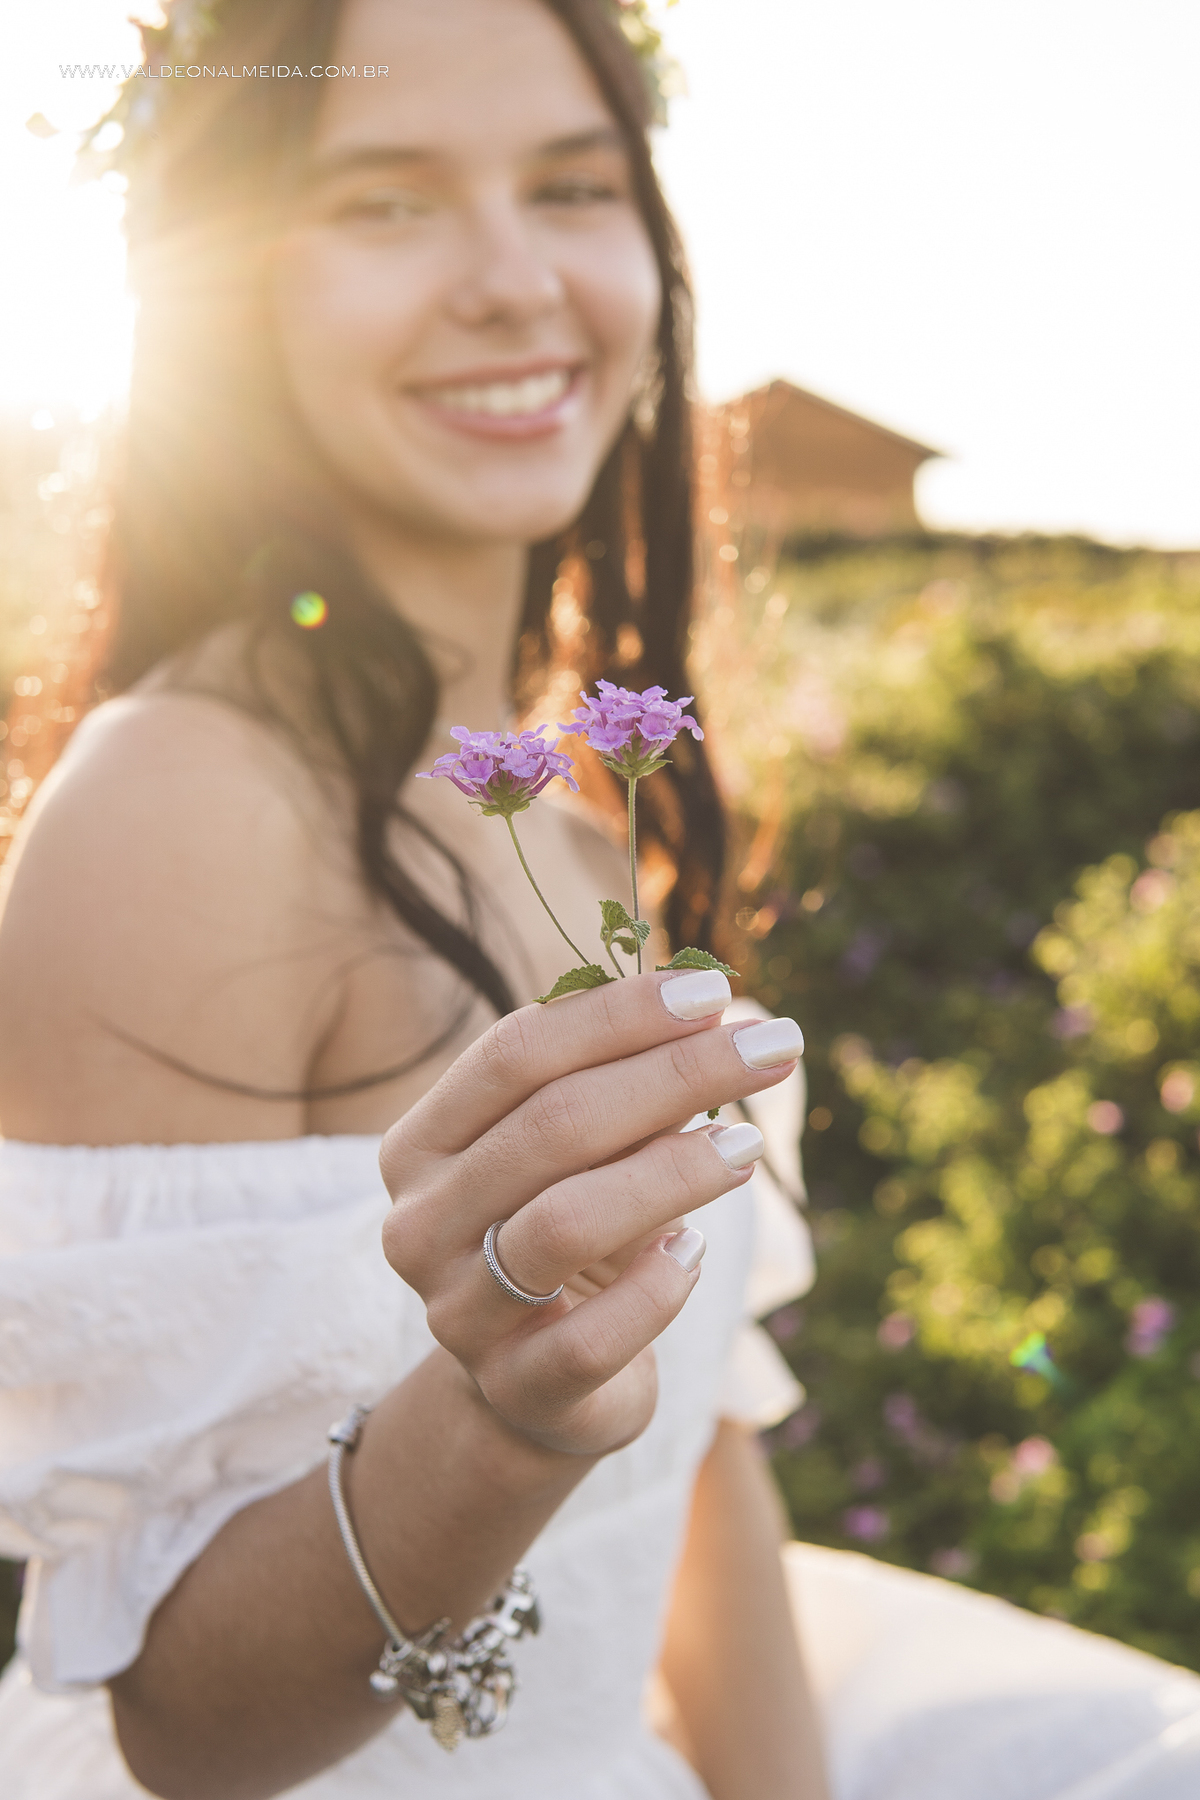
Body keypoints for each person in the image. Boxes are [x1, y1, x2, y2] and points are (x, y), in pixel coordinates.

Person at [4, 5, 1200, 1800]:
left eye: (571, 186)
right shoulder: (184, 807)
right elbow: (173, 1722)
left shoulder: (568, 820)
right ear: (222, 289)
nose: (511, 279)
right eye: (385, 204)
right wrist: (496, 1415)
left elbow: (698, 1475)